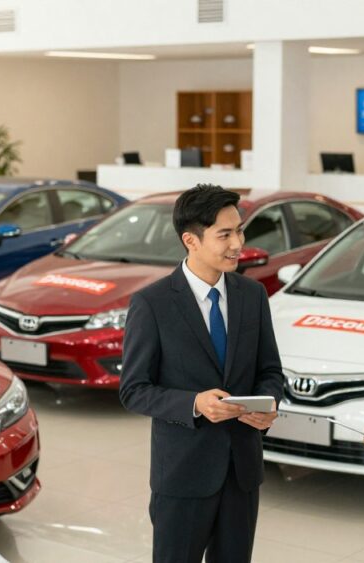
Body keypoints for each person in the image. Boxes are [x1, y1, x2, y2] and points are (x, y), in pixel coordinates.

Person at [119, 184, 284, 563]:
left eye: (239, 231)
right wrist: (194, 403)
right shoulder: (152, 303)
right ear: (190, 239)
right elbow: (134, 389)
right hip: (182, 474)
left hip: (241, 472)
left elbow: (270, 370)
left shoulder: (252, 294)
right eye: (224, 234)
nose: (237, 243)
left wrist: (269, 404)